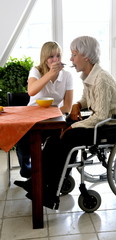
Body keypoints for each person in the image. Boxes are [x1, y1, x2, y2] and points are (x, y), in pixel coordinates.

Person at [15, 36, 116, 209]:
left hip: (111, 126)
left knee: (65, 137)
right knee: (56, 140)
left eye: (73, 54)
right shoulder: (90, 75)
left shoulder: (101, 79)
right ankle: (41, 185)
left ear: (86, 57)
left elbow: (100, 116)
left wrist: (71, 127)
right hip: (101, 121)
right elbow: (86, 99)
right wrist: (78, 104)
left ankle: (48, 191)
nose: (69, 59)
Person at [15, 41, 73, 179]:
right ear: (44, 58)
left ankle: (51, 173)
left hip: (52, 117)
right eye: (51, 57)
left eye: (58, 56)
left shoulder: (67, 76)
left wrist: (53, 113)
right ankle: (26, 166)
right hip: (32, 115)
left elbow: (68, 106)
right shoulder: (36, 71)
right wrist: (50, 74)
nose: (55, 60)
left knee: (58, 140)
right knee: (23, 138)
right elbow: (31, 91)